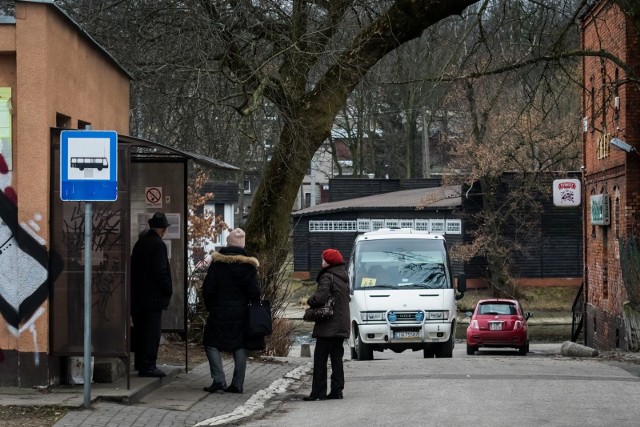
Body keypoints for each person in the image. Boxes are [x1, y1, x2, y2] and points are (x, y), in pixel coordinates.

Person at [202, 228, 261, 394]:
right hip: (241, 312)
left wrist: (211, 307)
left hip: (219, 310)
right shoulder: (249, 267)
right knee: (240, 345)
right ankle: (237, 384)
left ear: (228, 244)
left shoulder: (218, 264)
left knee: (211, 343)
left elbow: (208, 289)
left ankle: (219, 380)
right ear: (243, 245)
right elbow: (255, 292)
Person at [303, 248, 350, 401]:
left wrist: (310, 300)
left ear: (329, 262)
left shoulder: (327, 277)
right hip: (341, 326)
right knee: (337, 359)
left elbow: (320, 298)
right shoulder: (343, 277)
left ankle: (318, 392)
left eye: (323, 259)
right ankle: (337, 391)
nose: (321, 261)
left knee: (320, 359)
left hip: (328, 326)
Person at [131, 212, 173, 378]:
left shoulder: (140, 243)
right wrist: (168, 289)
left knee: (141, 330)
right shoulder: (158, 244)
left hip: (138, 296)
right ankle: (148, 366)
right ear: (162, 229)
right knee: (152, 332)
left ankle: (141, 363)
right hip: (154, 298)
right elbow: (160, 271)